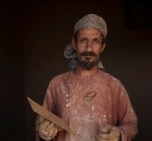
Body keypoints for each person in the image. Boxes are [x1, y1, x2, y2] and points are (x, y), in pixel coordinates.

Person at [35, 13, 138, 141]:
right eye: (83, 40)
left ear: (102, 46)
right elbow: (42, 124)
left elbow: (131, 125)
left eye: (95, 41)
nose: (89, 48)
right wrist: (43, 133)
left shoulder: (114, 85)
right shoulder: (57, 84)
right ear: (74, 43)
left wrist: (118, 134)